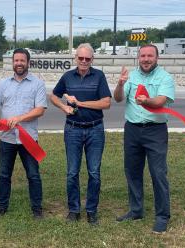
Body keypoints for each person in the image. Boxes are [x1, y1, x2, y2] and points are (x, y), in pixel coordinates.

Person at [113, 44, 175, 234]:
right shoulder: (131, 75)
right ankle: (136, 210)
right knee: (132, 171)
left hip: (155, 131)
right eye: (143, 56)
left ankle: (162, 216)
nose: (146, 59)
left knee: (158, 173)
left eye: (150, 56)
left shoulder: (165, 77)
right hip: (132, 130)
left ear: (157, 58)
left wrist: (146, 100)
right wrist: (120, 84)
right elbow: (117, 99)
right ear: (138, 58)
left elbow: (160, 101)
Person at [50, 43, 111, 225]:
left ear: (93, 59)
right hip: (73, 129)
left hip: (95, 129)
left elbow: (106, 103)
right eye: (81, 58)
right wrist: (63, 106)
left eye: (87, 58)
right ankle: (74, 210)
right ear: (75, 58)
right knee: (72, 172)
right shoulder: (68, 76)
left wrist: (80, 103)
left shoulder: (99, 76)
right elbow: (53, 95)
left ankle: (91, 211)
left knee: (94, 172)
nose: (84, 61)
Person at [0, 48, 47, 221]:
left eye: (22, 60)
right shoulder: (3, 84)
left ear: (28, 63)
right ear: (12, 63)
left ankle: (37, 209)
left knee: (33, 175)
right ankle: (1, 207)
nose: (19, 63)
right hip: (7, 139)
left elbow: (40, 110)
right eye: (16, 60)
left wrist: (20, 118)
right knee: (4, 175)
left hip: (28, 138)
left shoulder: (37, 84)